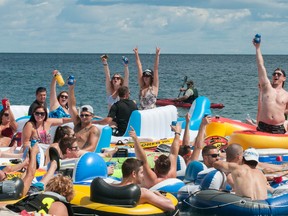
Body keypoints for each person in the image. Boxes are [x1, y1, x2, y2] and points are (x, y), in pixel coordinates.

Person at [130, 123, 181, 188]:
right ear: (169, 168)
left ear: (155, 169)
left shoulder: (152, 179)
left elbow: (142, 159)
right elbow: (174, 153)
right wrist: (177, 133)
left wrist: (135, 139)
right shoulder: (172, 174)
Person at [253, 38, 288, 134]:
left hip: (279, 128)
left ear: (284, 78)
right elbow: (260, 65)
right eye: (274, 74)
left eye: (279, 74)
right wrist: (257, 48)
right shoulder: (266, 87)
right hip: (264, 126)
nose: (276, 75)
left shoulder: (286, 95)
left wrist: (283, 118)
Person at [68, 81, 100, 152]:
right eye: (82, 115)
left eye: (86, 115)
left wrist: (77, 153)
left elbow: (92, 147)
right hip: (70, 153)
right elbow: (71, 106)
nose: (84, 117)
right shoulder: (77, 124)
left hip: (81, 155)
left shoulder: (93, 130)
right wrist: (71, 88)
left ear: (92, 116)